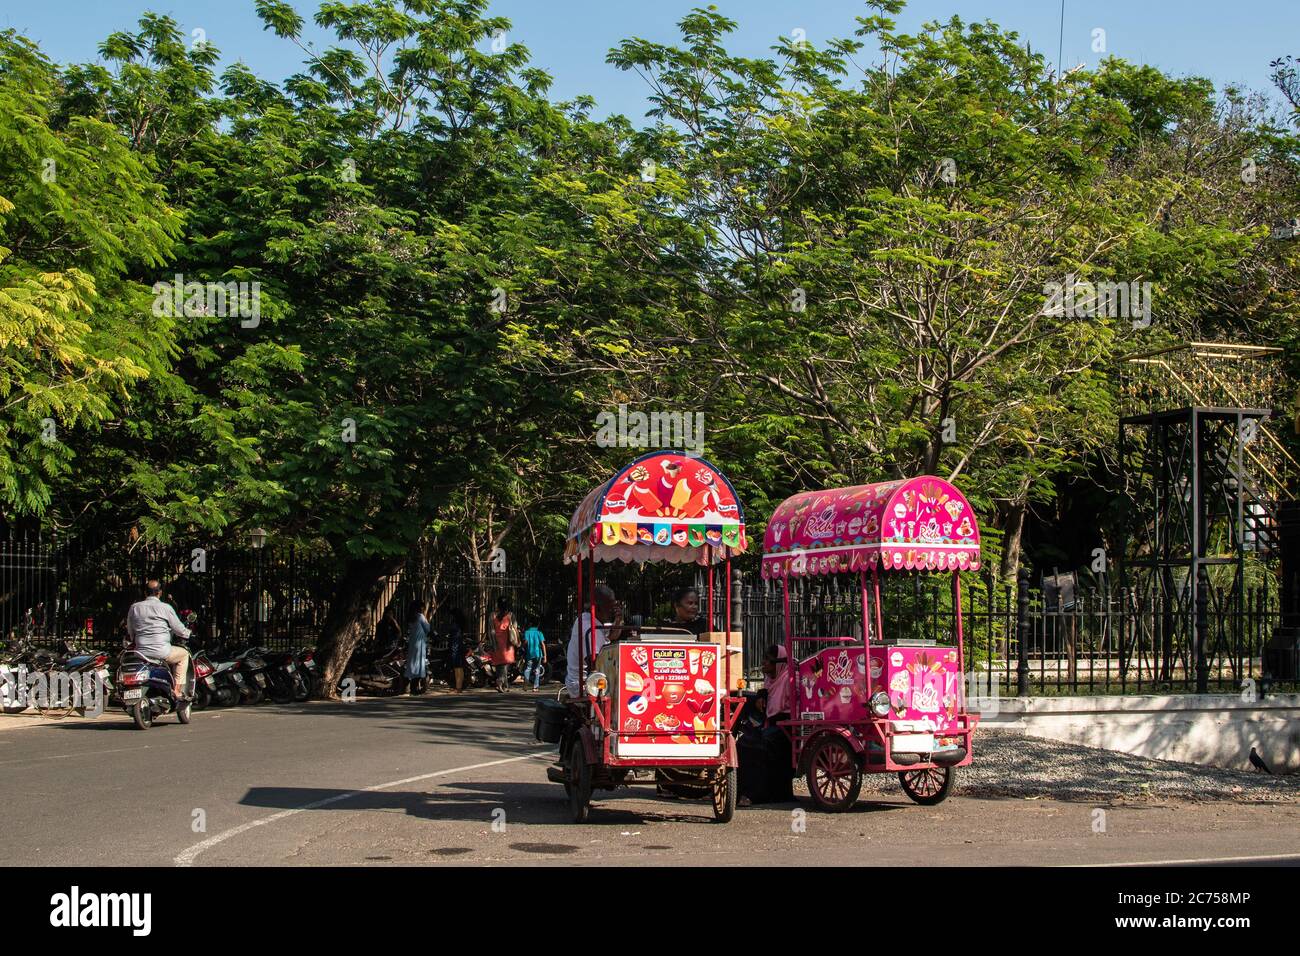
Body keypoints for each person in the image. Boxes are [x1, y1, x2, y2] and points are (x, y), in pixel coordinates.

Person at [125, 579, 192, 698]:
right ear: (159, 592)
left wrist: (134, 638)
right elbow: (178, 628)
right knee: (184, 655)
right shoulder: (165, 607)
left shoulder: (134, 608)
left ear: (145, 593)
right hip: (162, 651)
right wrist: (188, 633)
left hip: (141, 652)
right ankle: (177, 690)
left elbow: (131, 630)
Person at [563, 584, 632, 697]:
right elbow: (597, 664)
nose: (613, 611)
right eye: (610, 608)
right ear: (598, 608)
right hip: (584, 685)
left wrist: (618, 620)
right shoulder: (588, 626)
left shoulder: (594, 621)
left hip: (589, 679)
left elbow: (612, 636)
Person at [490, 597, 518, 693]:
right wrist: (517, 641)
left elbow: (491, 631)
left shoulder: (492, 615)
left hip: (496, 643)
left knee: (499, 666)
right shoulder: (511, 615)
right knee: (505, 665)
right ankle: (500, 682)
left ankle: (505, 686)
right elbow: (515, 628)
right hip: (507, 644)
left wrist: (493, 643)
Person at [405, 599, 430, 695]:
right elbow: (427, 628)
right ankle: (414, 689)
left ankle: (413, 688)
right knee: (419, 666)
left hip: (412, 643)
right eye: (423, 607)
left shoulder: (411, 617)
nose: (424, 609)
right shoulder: (420, 616)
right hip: (420, 644)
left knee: (414, 665)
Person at [445, 606, 466, 692]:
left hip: (455, 645)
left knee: (457, 668)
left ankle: (458, 688)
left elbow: (450, 633)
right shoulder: (460, 624)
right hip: (458, 645)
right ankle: (458, 687)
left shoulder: (455, 625)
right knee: (459, 667)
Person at [522, 620, 547, 691]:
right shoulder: (539, 633)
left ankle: (525, 685)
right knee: (537, 670)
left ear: (530, 624)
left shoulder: (527, 632)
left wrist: (522, 646)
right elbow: (542, 644)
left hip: (529, 653)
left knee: (528, 668)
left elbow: (526, 642)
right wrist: (545, 656)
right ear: (538, 624)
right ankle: (535, 687)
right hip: (538, 654)